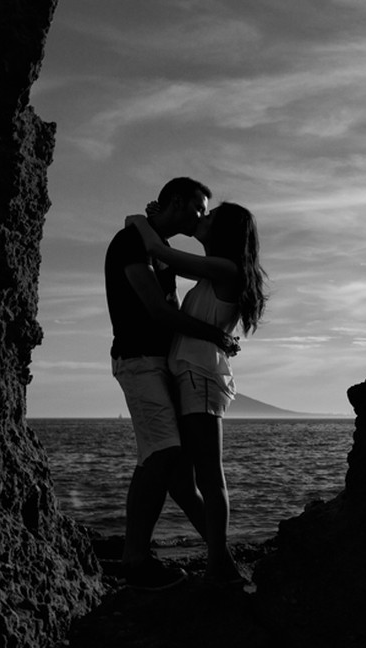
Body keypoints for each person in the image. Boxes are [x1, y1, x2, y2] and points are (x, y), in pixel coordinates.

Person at [105, 177, 240, 590]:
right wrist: (213, 334)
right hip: (138, 360)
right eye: (200, 207)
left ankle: (220, 560)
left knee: (169, 464)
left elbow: (166, 277)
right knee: (163, 455)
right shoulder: (131, 243)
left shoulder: (156, 248)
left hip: (164, 365)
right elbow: (155, 309)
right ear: (178, 202)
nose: (202, 216)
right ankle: (136, 560)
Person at [125, 201, 267, 585]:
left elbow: (158, 252)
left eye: (209, 218)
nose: (201, 220)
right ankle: (222, 560)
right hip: (189, 375)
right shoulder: (214, 275)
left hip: (200, 377)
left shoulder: (225, 270)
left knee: (208, 476)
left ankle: (219, 566)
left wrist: (138, 221)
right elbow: (168, 264)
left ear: (224, 233)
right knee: (180, 481)